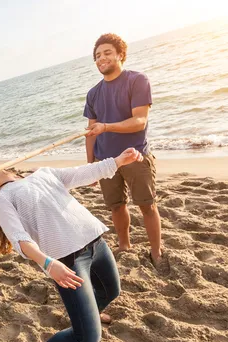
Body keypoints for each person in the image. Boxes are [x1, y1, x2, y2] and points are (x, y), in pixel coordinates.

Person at [0, 147, 144, 342]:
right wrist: (48, 264)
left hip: (96, 242)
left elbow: (82, 173)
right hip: (68, 260)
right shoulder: (4, 198)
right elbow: (19, 238)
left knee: (111, 291)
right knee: (87, 339)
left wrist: (119, 160)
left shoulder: (42, 173)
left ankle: (91, 312)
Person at [84, 33, 163, 265]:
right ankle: (124, 245)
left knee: (147, 205)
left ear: (120, 54)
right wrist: (91, 166)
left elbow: (140, 121)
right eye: (97, 55)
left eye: (107, 53)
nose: (102, 58)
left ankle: (156, 252)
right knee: (116, 207)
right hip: (106, 161)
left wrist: (107, 126)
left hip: (135, 156)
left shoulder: (137, 80)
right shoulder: (93, 93)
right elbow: (90, 133)